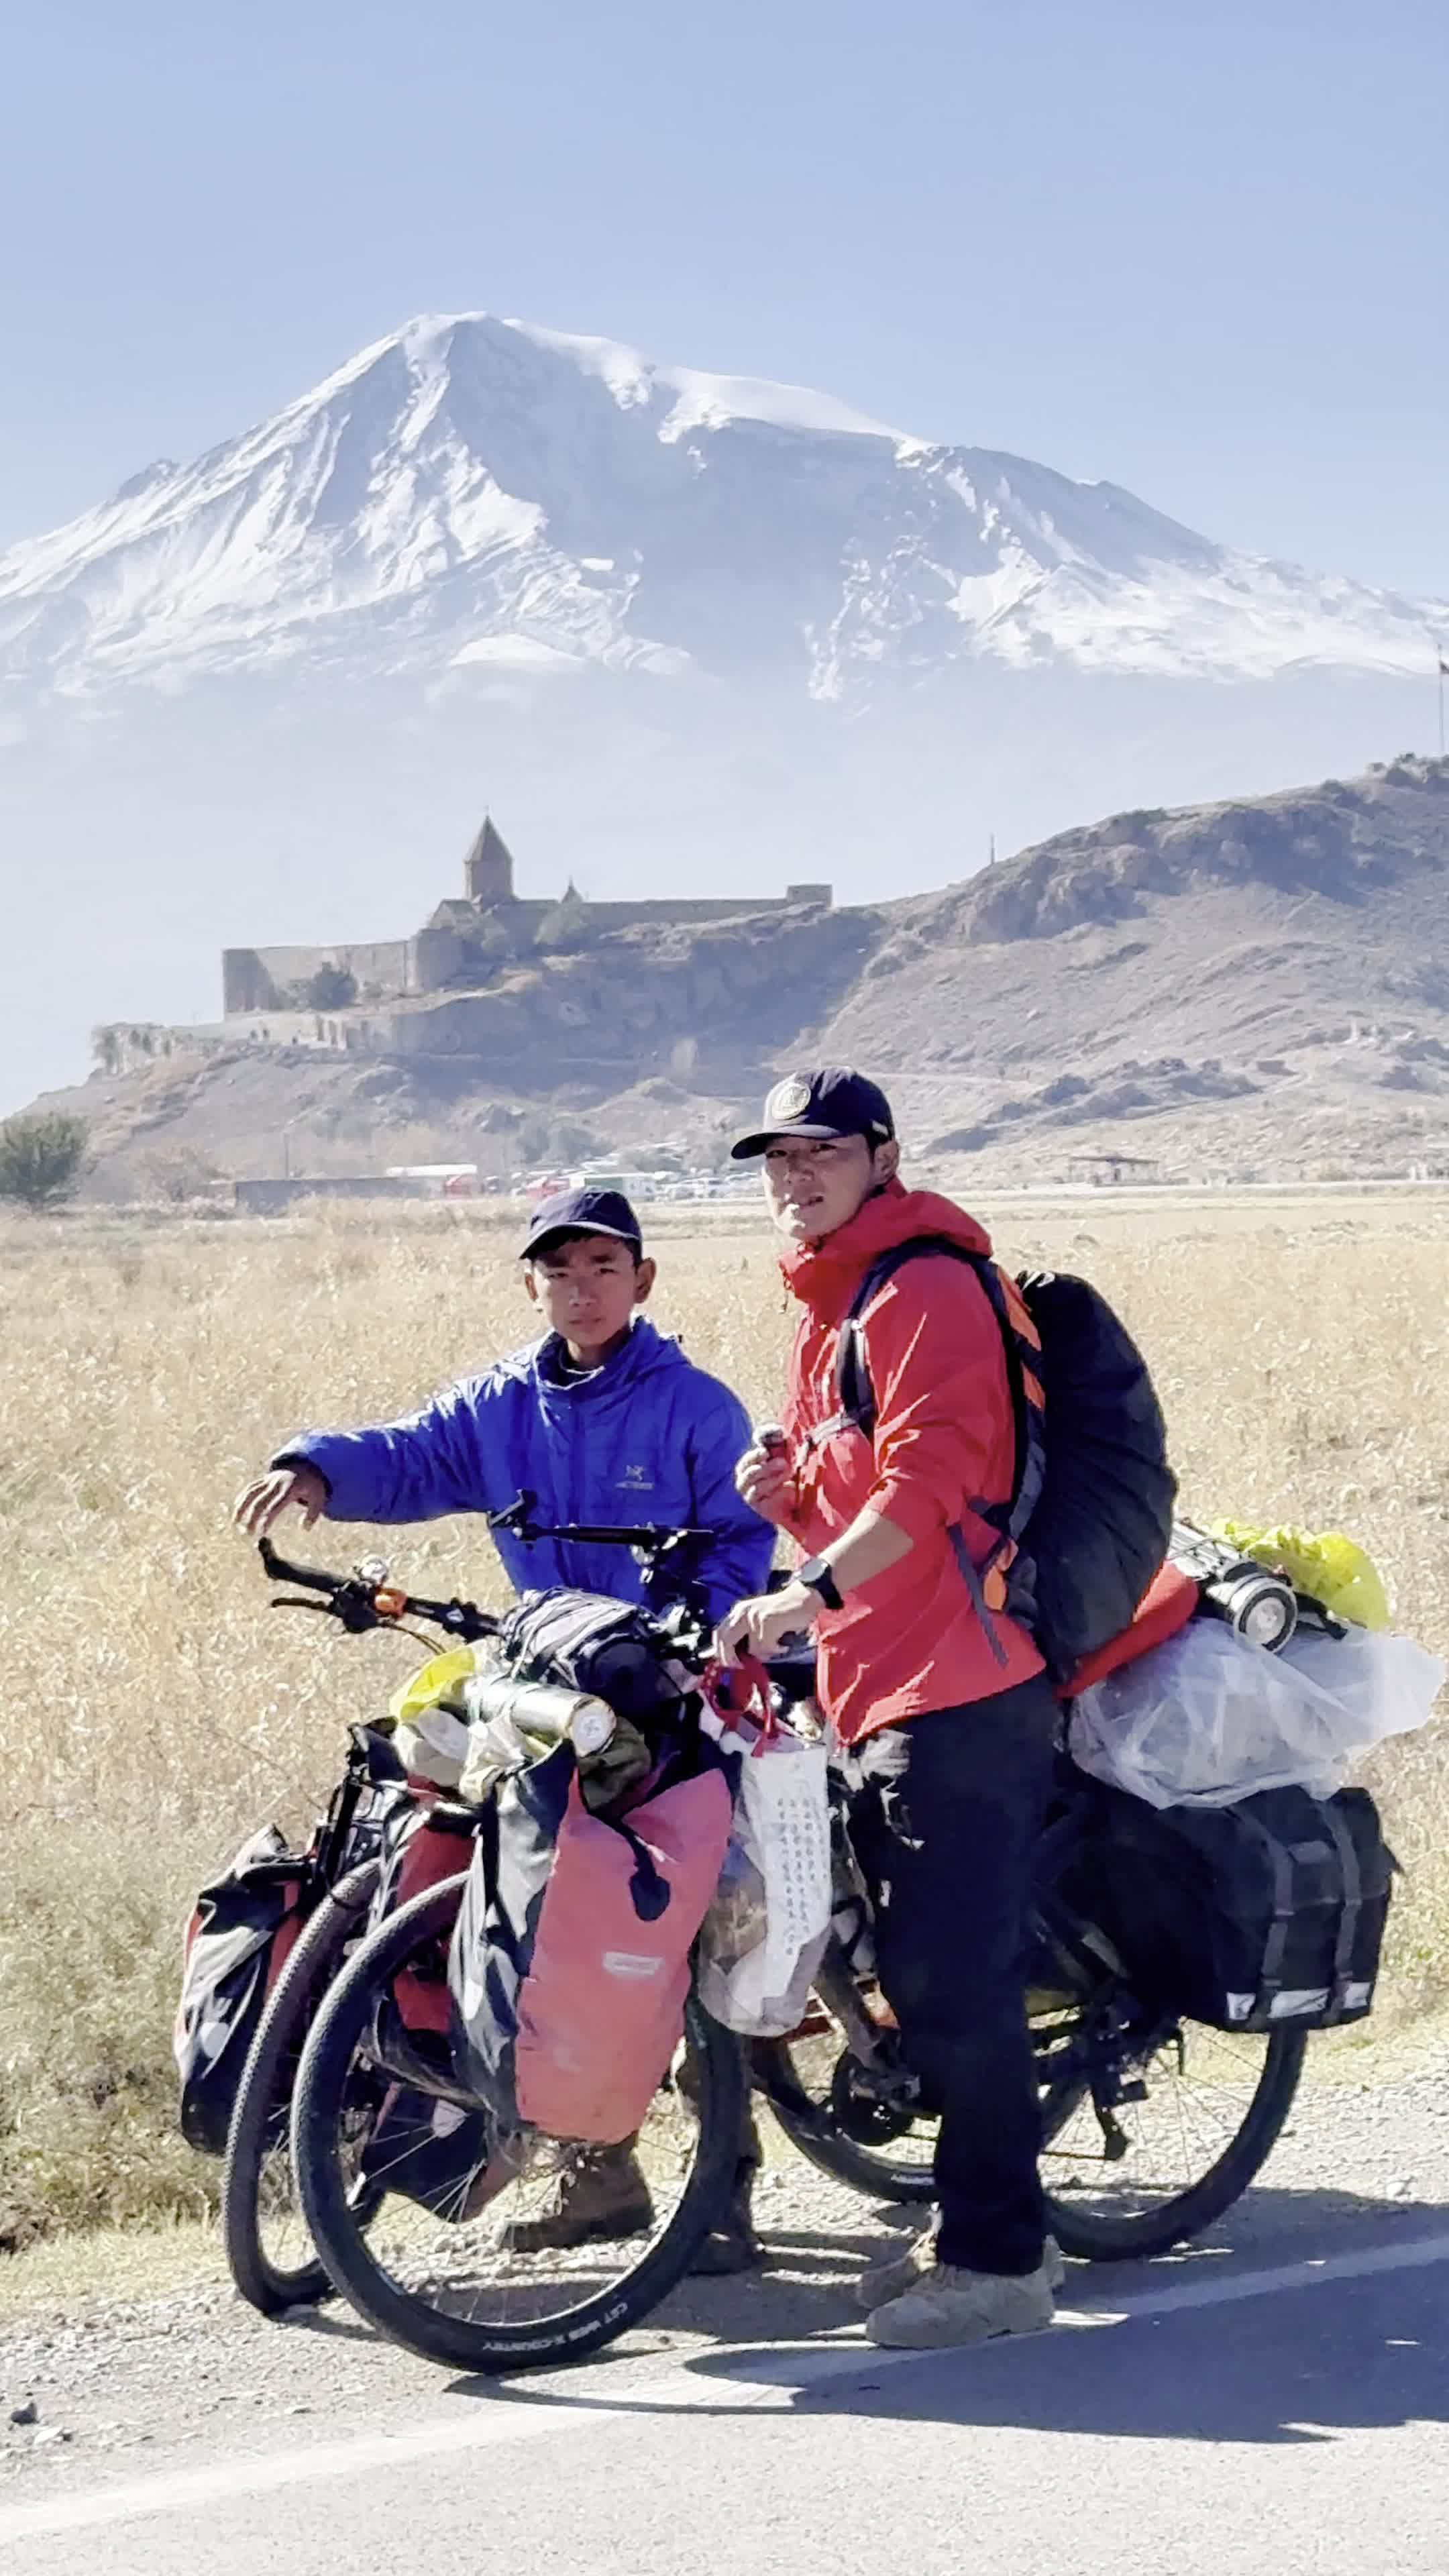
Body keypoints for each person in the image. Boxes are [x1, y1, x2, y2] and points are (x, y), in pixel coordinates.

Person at [235, 1183, 773, 2271]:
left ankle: (725, 2186)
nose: (581, 1291)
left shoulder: (696, 1408)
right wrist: (316, 1468)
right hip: (548, 1692)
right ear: (531, 1284)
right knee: (529, 1908)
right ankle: (601, 2164)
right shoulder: (502, 1405)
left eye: (603, 1270)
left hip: (670, 1692)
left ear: (643, 1282)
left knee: (683, 1922)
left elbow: (739, 1542)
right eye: (560, 1272)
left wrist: (682, 1630)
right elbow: (413, 1455)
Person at [714, 1071, 1063, 2349]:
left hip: (962, 1680)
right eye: (775, 1160)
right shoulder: (839, 1301)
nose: (793, 1176)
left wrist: (802, 1588)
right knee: (909, 1963)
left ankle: (1001, 2266)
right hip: (878, 1673)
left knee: (950, 1977)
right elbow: (855, 1501)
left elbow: (926, 1488)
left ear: (882, 1155)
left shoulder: (924, 1288)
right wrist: (787, 1501)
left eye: (818, 1153)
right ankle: (976, 2213)